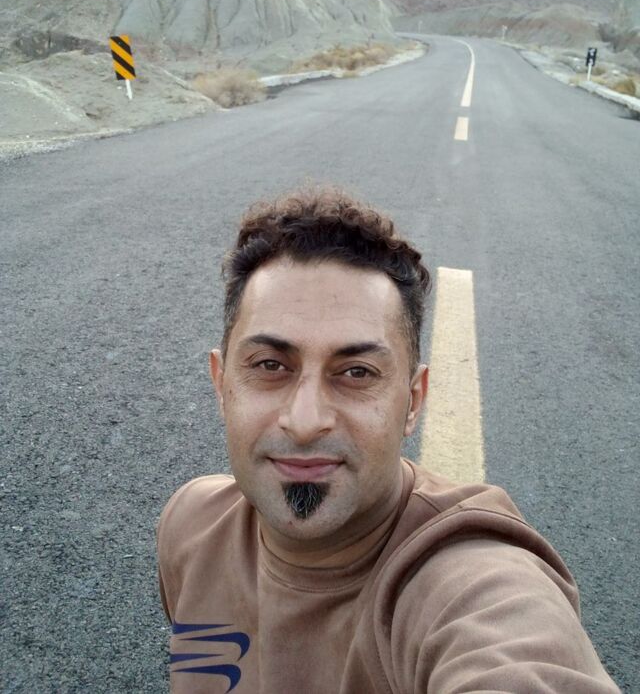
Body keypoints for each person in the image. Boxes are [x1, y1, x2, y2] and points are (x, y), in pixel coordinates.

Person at [156, 186, 619, 693]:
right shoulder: (191, 526)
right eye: (270, 365)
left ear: (413, 401)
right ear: (221, 384)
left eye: (357, 372)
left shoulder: (470, 584)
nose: (305, 421)